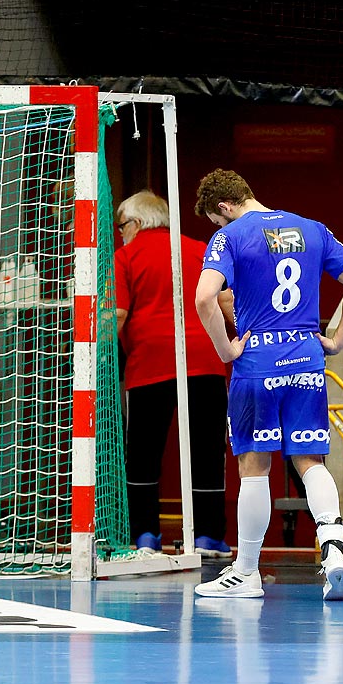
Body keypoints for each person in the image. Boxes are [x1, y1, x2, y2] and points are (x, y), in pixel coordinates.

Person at [189, 169, 343, 601]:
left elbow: (203, 297)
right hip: (307, 359)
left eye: (218, 222)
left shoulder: (231, 237)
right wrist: (337, 339)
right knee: (311, 461)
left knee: (255, 469)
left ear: (224, 208)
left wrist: (225, 350)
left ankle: (246, 572)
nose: (220, 229)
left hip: (257, 363)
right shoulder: (312, 229)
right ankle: (335, 551)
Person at [113, 190, 232, 555]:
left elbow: (116, 315)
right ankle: (208, 536)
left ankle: (145, 535)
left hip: (150, 363)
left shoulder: (126, 256)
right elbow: (227, 301)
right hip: (206, 360)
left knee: (144, 453)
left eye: (121, 227)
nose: (121, 234)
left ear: (134, 223)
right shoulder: (199, 249)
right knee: (207, 450)